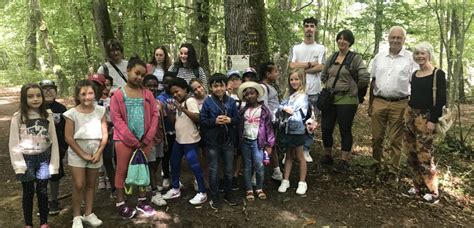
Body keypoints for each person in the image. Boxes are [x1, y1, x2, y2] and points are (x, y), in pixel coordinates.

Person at [110, 56, 159, 218]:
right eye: (137, 73)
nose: (139, 77)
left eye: (143, 75)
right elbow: (117, 120)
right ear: (128, 71)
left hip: (144, 140)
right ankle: (121, 202)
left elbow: (154, 115)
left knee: (142, 169)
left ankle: (142, 200)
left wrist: (147, 138)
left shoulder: (147, 95)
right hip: (123, 141)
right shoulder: (118, 95)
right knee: (122, 170)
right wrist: (132, 140)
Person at [368, 26, 418, 180]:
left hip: (400, 103)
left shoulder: (411, 59)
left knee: (395, 139)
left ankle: (392, 170)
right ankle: (376, 164)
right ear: (388, 38)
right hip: (380, 101)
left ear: (404, 39)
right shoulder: (379, 57)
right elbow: (373, 80)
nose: (395, 40)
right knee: (377, 137)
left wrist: (411, 107)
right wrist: (370, 104)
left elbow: (415, 83)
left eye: (399, 38)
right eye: (393, 37)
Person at [9, 83, 60, 228]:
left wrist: (54, 165)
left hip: (44, 159)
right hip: (26, 160)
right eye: (30, 96)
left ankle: (44, 222)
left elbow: (53, 141)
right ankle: (28, 223)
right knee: (28, 192)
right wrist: (19, 166)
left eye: (38, 95)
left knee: (42, 191)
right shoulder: (18, 117)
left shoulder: (47, 115)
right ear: (24, 98)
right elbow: (14, 143)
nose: (35, 99)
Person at [319, 30, 370, 172]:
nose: (342, 41)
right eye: (339, 38)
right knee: (326, 128)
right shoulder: (333, 57)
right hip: (330, 98)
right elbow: (324, 74)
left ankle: (344, 160)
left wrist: (353, 88)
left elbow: (364, 77)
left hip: (347, 100)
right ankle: (327, 156)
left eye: (345, 39)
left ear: (350, 42)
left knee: (345, 129)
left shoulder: (355, 58)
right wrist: (329, 85)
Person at [403, 42, 445, 204]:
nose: (420, 56)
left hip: (426, 117)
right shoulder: (415, 74)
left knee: (425, 154)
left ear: (429, 55)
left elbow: (441, 99)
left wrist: (433, 120)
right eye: (417, 54)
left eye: (423, 53)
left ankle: (433, 192)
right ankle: (418, 186)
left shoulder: (437, 74)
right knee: (411, 152)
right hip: (411, 115)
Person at [64, 80, 107, 228]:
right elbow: (68, 137)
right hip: (77, 152)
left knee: (90, 184)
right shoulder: (71, 114)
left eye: (90, 93)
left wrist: (99, 151)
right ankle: (76, 216)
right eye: (83, 94)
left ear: (95, 94)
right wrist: (82, 154)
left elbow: (105, 134)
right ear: (77, 95)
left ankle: (88, 213)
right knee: (79, 184)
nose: (87, 97)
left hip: (95, 151)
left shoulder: (100, 110)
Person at [162, 78, 207, 205]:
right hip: (179, 139)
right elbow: (175, 122)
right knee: (174, 162)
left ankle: (202, 192)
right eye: (173, 93)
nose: (175, 95)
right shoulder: (179, 103)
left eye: (177, 91)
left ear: (185, 89)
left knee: (194, 165)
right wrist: (171, 112)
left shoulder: (190, 101)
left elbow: (197, 117)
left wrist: (182, 109)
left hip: (190, 140)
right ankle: (176, 188)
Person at [200, 73, 240, 209]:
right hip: (212, 141)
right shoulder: (207, 102)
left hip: (228, 140)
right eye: (215, 86)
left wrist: (230, 120)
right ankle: (215, 196)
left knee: (228, 169)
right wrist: (214, 121)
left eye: (221, 85)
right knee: (214, 169)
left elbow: (238, 120)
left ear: (225, 86)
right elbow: (202, 120)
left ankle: (228, 194)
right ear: (211, 87)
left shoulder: (232, 102)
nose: (218, 89)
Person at [289, 17, 326, 163]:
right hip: (297, 91)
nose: (309, 29)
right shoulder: (297, 48)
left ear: (315, 28)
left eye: (312, 26)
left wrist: (301, 69)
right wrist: (311, 64)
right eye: (307, 26)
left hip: (314, 90)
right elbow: (292, 66)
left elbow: (321, 66)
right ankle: (291, 151)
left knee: (311, 121)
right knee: (294, 121)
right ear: (303, 28)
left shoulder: (320, 48)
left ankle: (306, 149)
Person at [237, 81, 275, 201]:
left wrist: (270, 144)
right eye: (246, 94)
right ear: (244, 97)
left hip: (258, 142)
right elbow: (239, 126)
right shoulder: (243, 111)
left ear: (257, 94)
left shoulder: (263, 110)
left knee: (259, 164)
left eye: (252, 93)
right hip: (245, 141)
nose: (249, 96)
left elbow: (269, 128)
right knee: (247, 166)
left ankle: (259, 187)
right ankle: (249, 189)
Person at [277, 69, 309, 195]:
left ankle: (302, 182)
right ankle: (285, 180)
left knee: (300, 156)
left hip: (297, 130)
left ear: (302, 80)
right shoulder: (290, 97)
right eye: (291, 79)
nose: (294, 82)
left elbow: (299, 112)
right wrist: (284, 108)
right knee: (289, 155)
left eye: (296, 79)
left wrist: (287, 110)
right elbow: (281, 106)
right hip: (287, 129)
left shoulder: (303, 97)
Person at [38, 80, 67, 215]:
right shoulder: (35, 107)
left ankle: (54, 201)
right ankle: (42, 203)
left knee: (54, 174)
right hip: (39, 148)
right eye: (45, 89)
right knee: (40, 175)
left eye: (51, 89)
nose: (49, 91)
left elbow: (67, 129)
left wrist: (63, 147)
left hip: (57, 147)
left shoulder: (61, 109)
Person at [142, 74, 167, 206]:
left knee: (157, 161)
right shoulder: (141, 101)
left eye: (154, 85)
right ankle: (154, 191)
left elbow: (162, 120)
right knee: (151, 164)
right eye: (149, 85)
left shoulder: (158, 102)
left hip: (159, 137)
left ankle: (151, 183)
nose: (152, 88)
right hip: (148, 137)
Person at [258, 62, 283, 181]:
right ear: (268, 74)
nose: (277, 73)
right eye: (275, 71)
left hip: (274, 121)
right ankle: (258, 172)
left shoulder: (271, 87)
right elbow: (265, 107)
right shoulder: (263, 87)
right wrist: (271, 120)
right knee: (267, 146)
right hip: (268, 123)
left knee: (271, 146)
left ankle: (276, 171)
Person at [157, 71, 178, 189]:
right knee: (166, 155)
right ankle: (166, 176)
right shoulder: (160, 97)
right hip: (166, 131)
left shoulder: (177, 95)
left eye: (170, 83)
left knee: (176, 156)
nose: (168, 85)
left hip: (178, 131)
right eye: (165, 83)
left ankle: (176, 177)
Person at [96, 74, 116, 197]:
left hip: (110, 133)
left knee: (109, 159)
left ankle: (114, 187)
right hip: (94, 134)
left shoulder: (113, 99)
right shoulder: (91, 101)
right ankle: (101, 179)